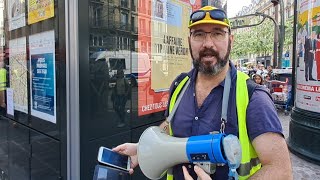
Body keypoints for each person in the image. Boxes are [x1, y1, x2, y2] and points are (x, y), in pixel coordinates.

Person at [113, 5, 292, 180]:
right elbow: (169, 127)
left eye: (217, 33)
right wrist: (142, 148)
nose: (208, 44)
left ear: (231, 39)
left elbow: (281, 171)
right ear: (189, 40)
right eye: (199, 34)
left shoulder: (253, 96)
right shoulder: (179, 85)